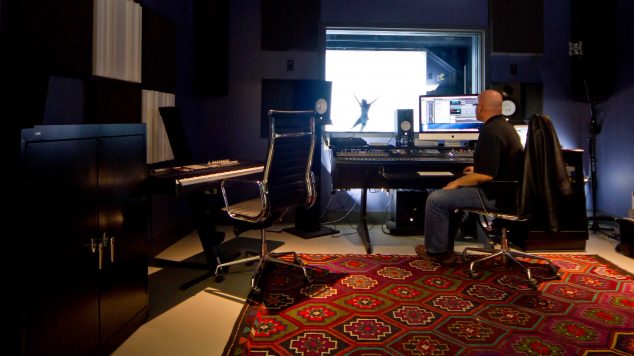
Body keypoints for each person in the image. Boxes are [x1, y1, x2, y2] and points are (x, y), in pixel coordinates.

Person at [415, 89, 524, 263]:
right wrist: (476, 170)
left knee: (437, 199)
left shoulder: (490, 132)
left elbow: (486, 176)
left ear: (480, 107)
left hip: (496, 197)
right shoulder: (505, 127)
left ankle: (437, 253)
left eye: (475, 105)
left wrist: (456, 183)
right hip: (509, 193)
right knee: (452, 196)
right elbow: (498, 166)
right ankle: (444, 248)